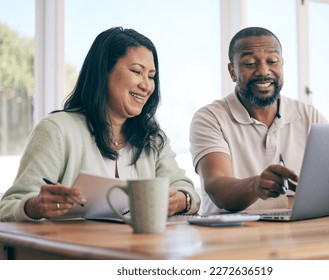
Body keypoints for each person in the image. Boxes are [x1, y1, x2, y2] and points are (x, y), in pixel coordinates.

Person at [0, 27, 200, 222]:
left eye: (151, 76)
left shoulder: (153, 139)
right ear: (103, 72)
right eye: (137, 71)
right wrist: (34, 206)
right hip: (74, 252)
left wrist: (181, 200)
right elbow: (8, 207)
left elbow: (186, 189)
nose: (147, 85)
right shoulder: (57, 130)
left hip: (140, 250)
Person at [190, 27, 329, 214]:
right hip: (229, 236)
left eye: (272, 61)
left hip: (295, 232)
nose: (263, 71)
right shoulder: (210, 118)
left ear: (282, 65)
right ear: (232, 71)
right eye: (249, 63)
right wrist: (256, 185)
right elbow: (216, 186)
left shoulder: (309, 116)